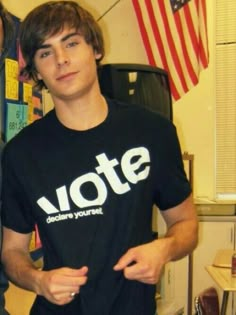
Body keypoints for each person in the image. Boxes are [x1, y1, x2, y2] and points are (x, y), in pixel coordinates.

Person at [0, 1, 198, 315]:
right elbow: (12, 252)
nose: (62, 60)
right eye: (46, 52)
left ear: (96, 49)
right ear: (36, 70)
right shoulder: (19, 155)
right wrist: (38, 280)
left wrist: (165, 248)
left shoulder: (152, 132)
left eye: (72, 43)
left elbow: (186, 223)